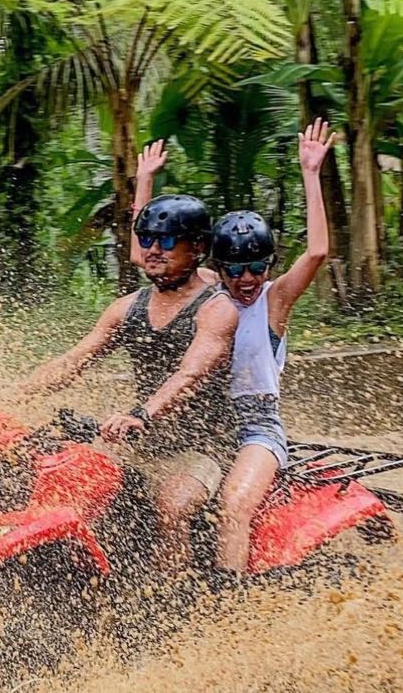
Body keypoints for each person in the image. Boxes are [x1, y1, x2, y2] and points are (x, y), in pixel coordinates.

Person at [131, 119, 336, 577]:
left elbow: (317, 253)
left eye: (257, 268)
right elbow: (145, 254)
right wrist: (144, 182)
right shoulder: (206, 292)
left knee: (233, 505)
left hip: (256, 428)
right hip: (204, 426)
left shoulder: (274, 301)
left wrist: (310, 173)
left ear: (270, 267)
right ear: (215, 266)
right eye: (235, 269)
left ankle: (230, 600)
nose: (246, 279)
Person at [21, 195, 238, 572]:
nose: (154, 249)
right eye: (147, 239)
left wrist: (141, 414)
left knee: (172, 505)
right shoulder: (126, 308)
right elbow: (73, 361)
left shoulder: (217, 309)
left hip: (205, 447)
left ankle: (171, 589)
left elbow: (189, 375)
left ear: (197, 247)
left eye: (167, 241)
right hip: (142, 443)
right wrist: (16, 394)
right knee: (60, 476)